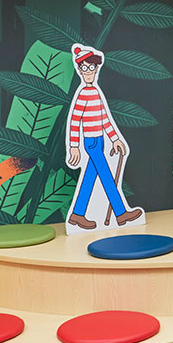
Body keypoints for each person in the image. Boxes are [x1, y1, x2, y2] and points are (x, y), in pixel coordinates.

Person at [65, 45, 142, 229]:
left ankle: (77, 214)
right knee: (107, 176)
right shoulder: (83, 94)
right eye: (84, 68)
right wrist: (74, 146)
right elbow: (75, 121)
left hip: (99, 140)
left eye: (91, 67)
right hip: (91, 142)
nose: (88, 71)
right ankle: (121, 213)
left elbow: (105, 119)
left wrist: (115, 139)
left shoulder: (95, 92)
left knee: (89, 177)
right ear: (79, 70)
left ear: (96, 69)